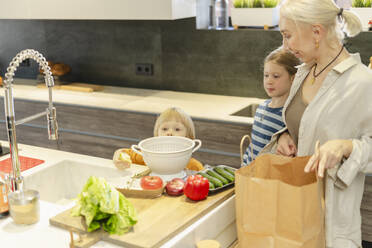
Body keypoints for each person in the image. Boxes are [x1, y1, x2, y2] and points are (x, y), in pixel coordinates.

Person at [261, 0, 372, 247]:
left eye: (288, 35)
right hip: (294, 210)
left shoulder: (362, 82)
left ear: (317, 32)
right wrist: (284, 136)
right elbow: (307, 124)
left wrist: (346, 147)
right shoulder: (304, 72)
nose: (285, 45)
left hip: (331, 224)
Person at [242, 47, 300, 166]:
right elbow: (253, 145)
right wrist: (244, 165)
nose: (269, 81)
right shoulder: (262, 107)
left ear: (293, 78)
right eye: (266, 75)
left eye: (276, 76)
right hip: (250, 173)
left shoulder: (289, 115)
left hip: (269, 178)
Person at [113, 107, 204, 171]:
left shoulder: (194, 166)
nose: (169, 133)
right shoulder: (146, 156)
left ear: (189, 137)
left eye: (177, 129)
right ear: (157, 135)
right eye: (164, 129)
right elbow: (122, 152)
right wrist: (118, 161)